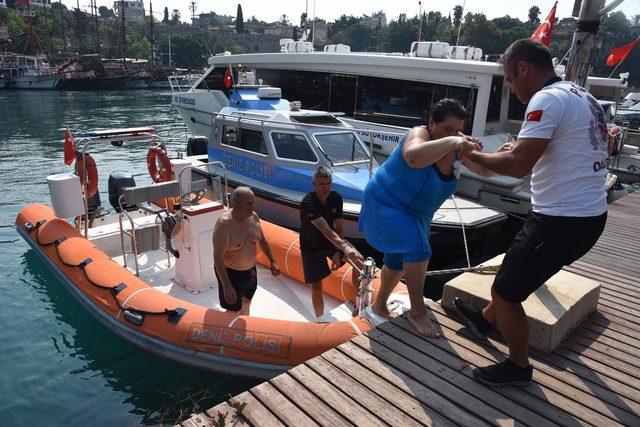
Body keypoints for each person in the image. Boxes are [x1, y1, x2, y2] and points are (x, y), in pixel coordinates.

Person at [454, 39, 608, 387]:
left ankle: (518, 367)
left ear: (523, 68)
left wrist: (470, 155)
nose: (511, 86)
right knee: (517, 275)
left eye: (509, 78)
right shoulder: (581, 95)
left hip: (560, 221)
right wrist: (521, 150)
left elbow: (518, 166)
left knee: (506, 291)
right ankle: (483, 321)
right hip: (589, 215)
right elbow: (567, 148)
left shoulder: (545, 98)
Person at [359, 98, 495, 337]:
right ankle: (417, 312)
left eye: (457, 129)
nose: (453, 134)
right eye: (447, 129)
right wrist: (455, 140)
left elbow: (485, 171)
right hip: (387, 203)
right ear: (431, 123)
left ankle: (379, 304)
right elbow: (413, 157)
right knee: (419, 249)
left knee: (398, 256)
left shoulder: (457, 147)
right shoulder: (418, 134)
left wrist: (503, 155)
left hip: (417, 213)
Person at [300, 166, 365, 317]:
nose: (325, 187)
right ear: (314, 184)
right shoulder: (308, 203)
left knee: (360, 261)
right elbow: (326, 230)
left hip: (332, 243)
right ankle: (320, 319)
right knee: (316, 286)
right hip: (311, 246)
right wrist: (343, 246)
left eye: (328, 183)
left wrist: (339, 251)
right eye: (321, 184)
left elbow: (339, 227)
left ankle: (358, 305)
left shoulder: (336, 197)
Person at [213, 187, 280, 315]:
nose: (252, 207)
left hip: (250, 272)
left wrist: (273, 261)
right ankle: (231, 333)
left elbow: (262, 240)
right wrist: (226, 285)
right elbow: (217, 257)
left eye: (253, 203)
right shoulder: (224, 225)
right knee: (233, 310)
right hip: (231, 274)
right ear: (235, 204)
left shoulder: (254, 217)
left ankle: (245, 329)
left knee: (247, 302)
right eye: (248, 204)